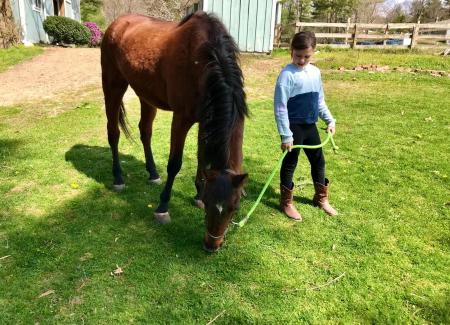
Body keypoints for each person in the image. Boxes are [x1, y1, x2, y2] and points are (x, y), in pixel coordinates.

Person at [274, 31, 338, 221]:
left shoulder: (315, 72)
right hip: (293, 128)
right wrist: (286, 135)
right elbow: (280, 108)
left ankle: (321, 198)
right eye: (298, 55)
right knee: (290, 163)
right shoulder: (287, 75)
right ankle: (286, 202)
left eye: (306, 56)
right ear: (291, 51)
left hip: (310, 125)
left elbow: (319, 101)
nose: (302, 60)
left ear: (314, 53)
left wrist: (330, 120)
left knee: (319, 161)